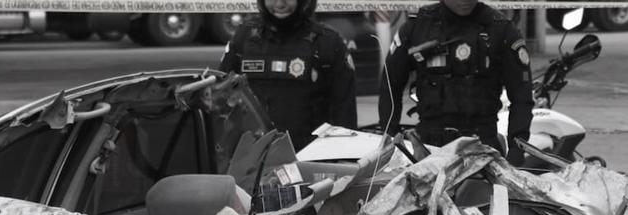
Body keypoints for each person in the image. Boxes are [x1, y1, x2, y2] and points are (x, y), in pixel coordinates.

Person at [377, 0, 535, 166]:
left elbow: (522, 97)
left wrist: (517, 150)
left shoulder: (501, 29)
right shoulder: (418, 26)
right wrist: (391, 134)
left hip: (482, 145)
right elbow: (390, 83)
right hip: (429, 147)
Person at [219, 0, 358, 151]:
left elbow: (345, 117)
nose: (280, 4)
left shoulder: (328, 43)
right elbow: (221, 97)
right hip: (252, 158)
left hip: (308, 158)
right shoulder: (244, 37)